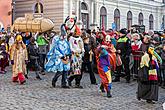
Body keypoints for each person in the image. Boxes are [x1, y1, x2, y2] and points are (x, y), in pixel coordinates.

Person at [46, 24, 71, 88]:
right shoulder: (57, 42)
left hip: (65, 58)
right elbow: (56, 50)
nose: (64, 37)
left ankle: (64, 83)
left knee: (65, 71)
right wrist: (61, 56)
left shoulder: (66, 42)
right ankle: (54, 80)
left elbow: (68, 49)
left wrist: (67, 54)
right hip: (59, 58)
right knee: (60, 71)